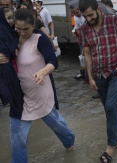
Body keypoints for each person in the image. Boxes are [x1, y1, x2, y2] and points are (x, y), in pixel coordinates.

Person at [7, 9, 74, 163]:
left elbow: (53, 61)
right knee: (17, 136)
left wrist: (42, 72)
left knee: (56, 124)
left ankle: (70, 140)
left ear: (33, 25)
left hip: (39, 91)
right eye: (19, 29)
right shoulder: (10, 38)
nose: (22, 33)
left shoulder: (39, 38)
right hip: (19, 95)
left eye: (26, 29)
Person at [78, 0, 117, 162]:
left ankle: (110, 147)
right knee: (110, 109)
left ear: (98, 10)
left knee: (110, 106)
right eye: (85, 16)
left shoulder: (114, 20)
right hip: (99, 75)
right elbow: (87, 54)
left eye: (90, 15)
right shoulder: (83, 30)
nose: (88, 19)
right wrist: (90, 77)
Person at [69, 5, 86, 80]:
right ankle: (82, 73)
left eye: (76, 12)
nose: (75, 15)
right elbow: (76, 27)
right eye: (73, 13)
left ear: (78, 9)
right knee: (82, 57)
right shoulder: (75, 17)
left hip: (88, 39)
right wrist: (74, 32)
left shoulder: (85, 15)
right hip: (81, 39)